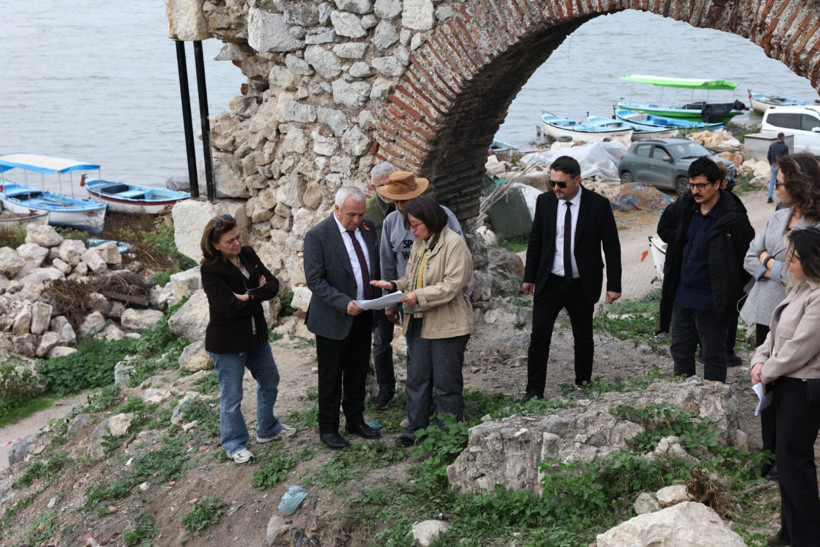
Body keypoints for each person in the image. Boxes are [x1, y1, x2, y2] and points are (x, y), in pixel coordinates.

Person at [740, 152, 820, 480]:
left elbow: (806, 273)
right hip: (767, 312)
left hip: (803, 315)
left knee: (791, 389)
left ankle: (787, 457)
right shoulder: (777, 216)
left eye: (782, 183)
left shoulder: (816, 226)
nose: (776, 188)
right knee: (767, 385)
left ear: (801, 185)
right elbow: (748, 256)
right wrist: (775, 266)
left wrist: (768, 263)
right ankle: (769, 454)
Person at [371, 195, 473, 447]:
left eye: (416, 224)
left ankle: (450, 436)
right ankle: (415, 430)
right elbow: (412, 277)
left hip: (447, 324)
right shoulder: (420, 242)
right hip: (417, 320)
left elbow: (452, 285)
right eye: (410, 224)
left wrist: (418, 296)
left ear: (431, 219)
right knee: (417, 378)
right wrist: (394, 285)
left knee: (446, 383)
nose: (412, 230)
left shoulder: (454, 244)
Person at [522, 155, 622, 401]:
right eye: (552, 183)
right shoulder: (545, 202)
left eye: (561, 184)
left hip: (581, 283)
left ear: (577, 180)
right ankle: (534, 392)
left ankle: (583, 384)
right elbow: (536, 240)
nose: (556, 188)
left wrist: (614, 285)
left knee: (583, 337)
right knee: (539, 338)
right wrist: (529, 276)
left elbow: (611, 246)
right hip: (550, 280)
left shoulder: (598, 205)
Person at [200, 214, 294, 464]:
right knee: (232, 397)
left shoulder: (248, 254)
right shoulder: (210, 269)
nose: (237, 243)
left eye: (238, 237)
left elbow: (274, 285)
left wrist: (250, 296)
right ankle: (234, 443)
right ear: (215, 245)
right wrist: (259, 293)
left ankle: (267, 428)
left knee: (270, 379)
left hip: (256, 336)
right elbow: (229, 308)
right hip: (228, 343)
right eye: (230, 241)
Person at [750, 227, 820, 547]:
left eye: (793, 258)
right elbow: (774, 335)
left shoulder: (817, 296)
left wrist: (766, 372)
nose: (787, 263)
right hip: (784, 382)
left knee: (794, 461)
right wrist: (758, 361)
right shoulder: (800, 289)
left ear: (811, 260)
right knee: (786, 460)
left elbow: (800, 347)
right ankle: (790, 531)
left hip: (803, 387)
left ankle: (809, 537)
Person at [376, 170, 464, 407]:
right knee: (417, 359)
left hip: (441, 302)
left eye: (402, 201)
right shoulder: (391, 222)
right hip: (408, 302)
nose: (398, 206)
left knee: (444, 362)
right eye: (394, 201)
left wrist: (460, 299)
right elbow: (388, 264)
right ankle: (421, 411)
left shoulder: (443, 217)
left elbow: (460, 264)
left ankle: (444, 409)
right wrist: (389, 302)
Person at [662, 156, 754, 383]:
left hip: (713, 302)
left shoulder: (734, 218)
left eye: (701, 185)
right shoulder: (686, 208)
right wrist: (680, 242)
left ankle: (715, 399)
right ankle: (685, 396)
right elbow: (664, 228)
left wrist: (730, 291)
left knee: (713, 355)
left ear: (717, 184)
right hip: (683, 298)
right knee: (680, 351)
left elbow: (747, 260)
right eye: (692, 185)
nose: (695, 191)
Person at [303, 187, 382, 450]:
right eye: (351, 215)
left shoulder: (367, 228)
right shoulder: (318, 235)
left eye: (360, 214)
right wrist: (343, 303)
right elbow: (315, 280)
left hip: (364, 314)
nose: (357, 220)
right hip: (333, 318)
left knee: (357, 371)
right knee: (331, 376)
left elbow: (372, 267)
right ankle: (328, 428)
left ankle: (355, 420)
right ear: (337, 209)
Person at [365, 162, 399, 410]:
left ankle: (424, 390)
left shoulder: (409, 206)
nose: (386, 190)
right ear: (373, 186)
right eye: (381, 186)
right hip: (380, 284)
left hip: (409, 281)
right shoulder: (367, 213)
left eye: (390, 183)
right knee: (381, 341)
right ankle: (386, 389)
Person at [767, 132, 789, 204]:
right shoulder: (785, 147)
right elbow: (786, 159)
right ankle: (783, 198)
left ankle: (770, 197)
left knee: (772, 181)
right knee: (782, 182)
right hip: (781, 167)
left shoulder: (772, 146)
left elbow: (768, 156)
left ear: (777, 138)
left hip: (773, 166)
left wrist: (771, 164)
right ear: (783, 138)